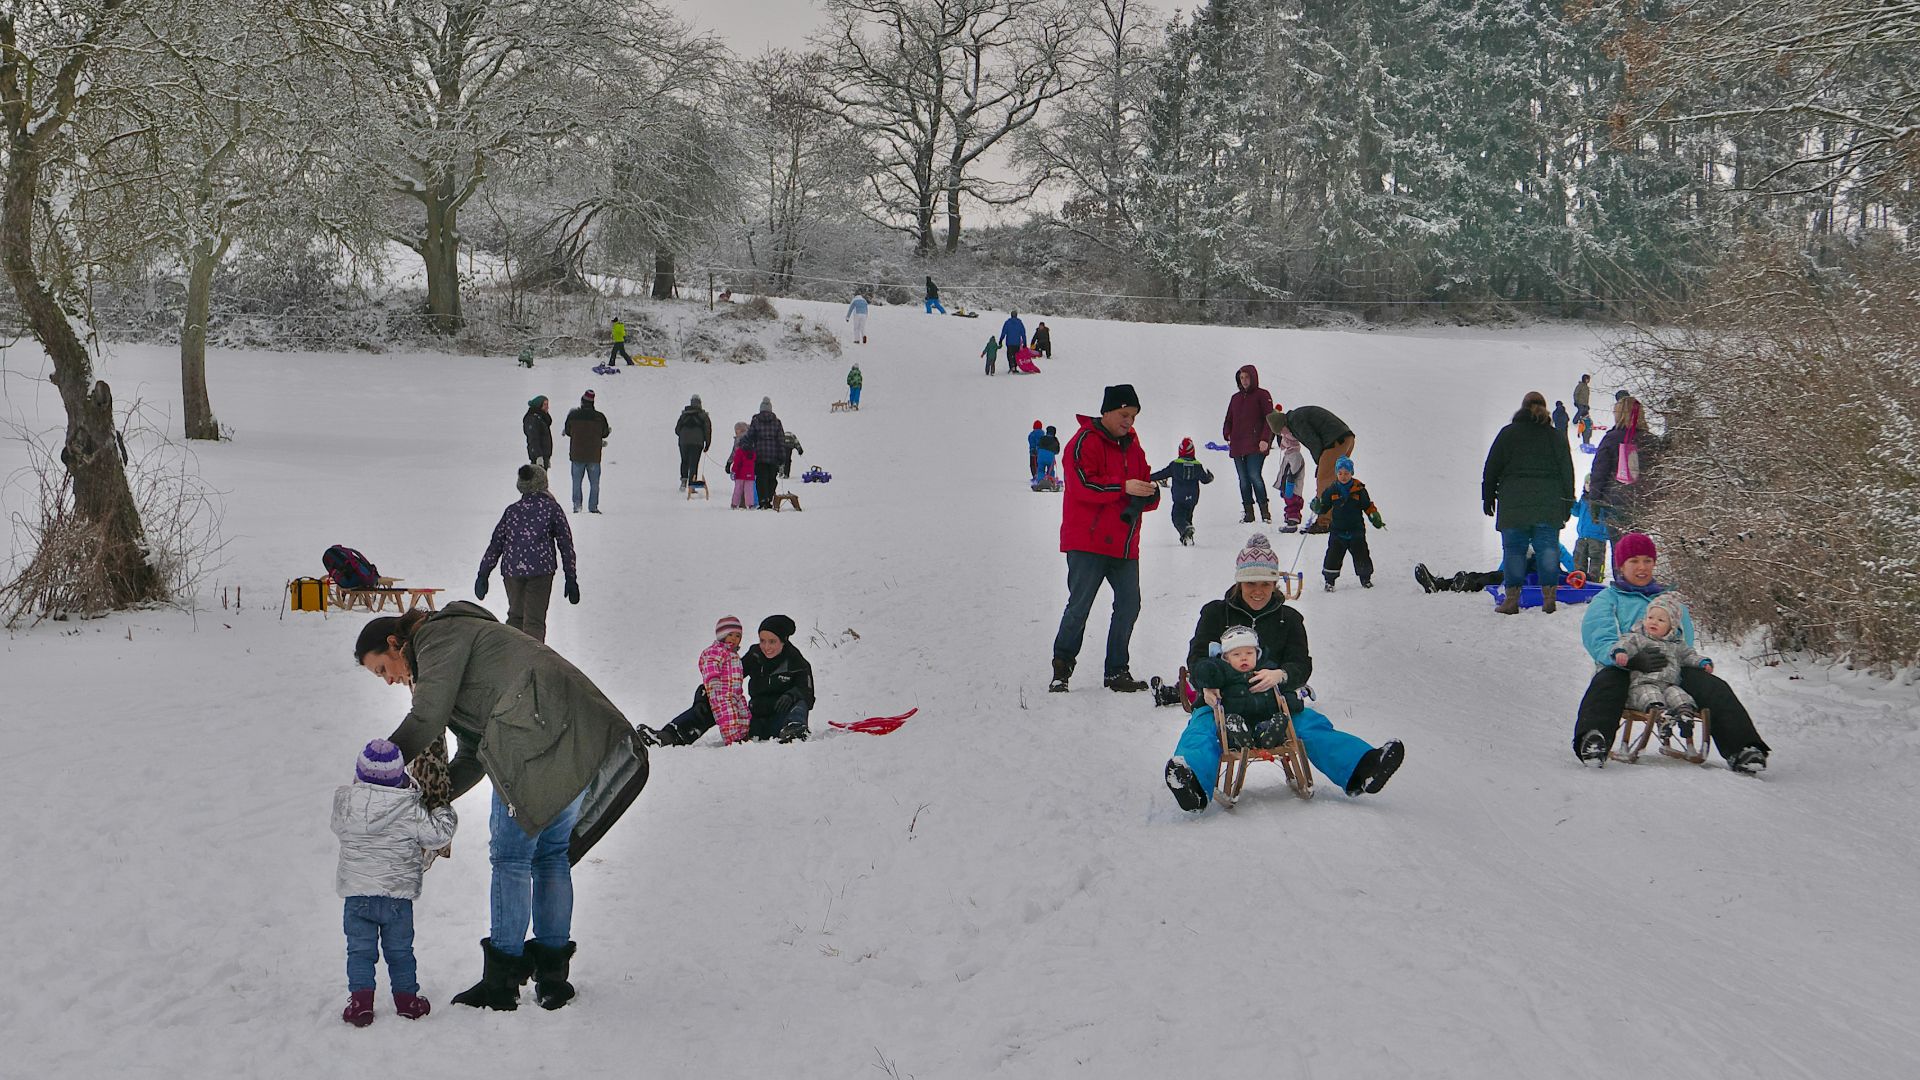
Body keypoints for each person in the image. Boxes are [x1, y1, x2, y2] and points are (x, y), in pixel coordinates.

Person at [355, 603, 640, 1011]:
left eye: (383, 669)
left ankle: (501, 983)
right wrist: (434, 798)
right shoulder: (460, 641)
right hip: (573, 735)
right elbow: (474, 750)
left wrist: (381, 768)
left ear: (395, 643)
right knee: (550, 856)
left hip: (532, 739)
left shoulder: (436, 637)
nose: (388, 681)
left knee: (510, 858)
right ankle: (553, 980)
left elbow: (427, 718)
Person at [1162, 534, 1406, 811]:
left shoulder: (1289, 620)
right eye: (1251, 583)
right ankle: (1191, 782)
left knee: (1311, 725)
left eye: (1266, 583)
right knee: (1202, 730)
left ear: (1275, 583)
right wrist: (1205, 684)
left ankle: (1364, 768)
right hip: (1221, 703)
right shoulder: (1216, 613)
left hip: (1273, 704)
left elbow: (1302, 664)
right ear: (1239, 582)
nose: (1258, 590)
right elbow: (1196, 657)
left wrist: (1282, 675)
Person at [1572, 532, 1770, 773]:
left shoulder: (1669, 601)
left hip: (1669, 669)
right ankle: (1593, 739)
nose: (1642, 567)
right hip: (1625, 667)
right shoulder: (1608, 599)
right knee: (1606, 682)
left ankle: (1743, 748)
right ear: (1621, 565)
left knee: (1714, 687)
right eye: (1634, 561)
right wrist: (1629, 659)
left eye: (1647, 560)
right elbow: (1599, 638)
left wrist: (1691, 662)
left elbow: (1683, 638)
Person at [333, 738, 459, 1027]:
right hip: (396, 899)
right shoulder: (410, 809)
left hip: (358, 896)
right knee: (401, 951)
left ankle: (361, 1004)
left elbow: (338, 826)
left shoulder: (346, 804)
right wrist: (443, 811)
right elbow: (438, 835)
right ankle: (408, 1001)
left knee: (360, 952)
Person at [1050, 384, 1157, 693]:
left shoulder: (1134, 445)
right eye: (1125, 415)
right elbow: (1082, 485)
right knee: (1079, 606)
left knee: (1129, 604)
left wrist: (1150, 493)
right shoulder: (1083, 441)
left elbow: (1143, 483)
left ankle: (1116, 671)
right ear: (1107, 411)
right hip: (1087, 542)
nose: (1129, 423)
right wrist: (1124, 488)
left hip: (1124, 544)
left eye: (1134, 417)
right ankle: (1062, 666)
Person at [1481, 390, 1574, 614]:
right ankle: (1549, 599)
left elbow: (1491, 467)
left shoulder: (1508, 434)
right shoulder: (1555, 437)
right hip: (1548, 503)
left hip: (1514, 504)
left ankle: (1512, 600)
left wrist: (1488, 496)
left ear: (1522, 408)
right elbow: (1567, 471)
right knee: (1548, 550)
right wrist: (1568, 501)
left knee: (1514, 551)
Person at [475, 465, 579, 642]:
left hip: (512, 571)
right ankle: (532, 663)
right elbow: (565, 543)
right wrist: (571, 577)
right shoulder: (551, 508)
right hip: (540, 571)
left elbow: (496, 543)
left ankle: (510, 660)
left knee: (515, 617)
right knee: (534, 621)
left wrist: (483, 574)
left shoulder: (512, 510)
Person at [644, 616, 753, 747]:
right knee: (728, 717)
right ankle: (734, 741)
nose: (734, 639)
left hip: (735, 694)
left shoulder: (733, 655)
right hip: (721, 693)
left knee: (744, 714)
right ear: (722, 635)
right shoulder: (717, 650)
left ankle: (743, 736)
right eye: (730, 635)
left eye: (737, 636)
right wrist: (712, 678)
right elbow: (709, 663)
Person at [1611, 593, 1709, 729]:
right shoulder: (1638, 637)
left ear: (1671, 627)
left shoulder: (1676, 644)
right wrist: (1620, 653)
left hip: (1669, 685)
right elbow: (1624, 643)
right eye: (1650, 617)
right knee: (1651, 696)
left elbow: (1688, 655)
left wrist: (1701, 662)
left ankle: (1685, 715)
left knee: (1679, 695)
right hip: (1643, 684)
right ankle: (1661, 718)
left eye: (1661, 620)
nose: (1654, 622)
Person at [1266, 404, 1354, 533]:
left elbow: (1313, 442)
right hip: (1346, 438)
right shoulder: (1295, 417)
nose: (1284, 435)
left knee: (1324, 480)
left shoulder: (1296, 422)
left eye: (1282, 432)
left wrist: (1320, 463)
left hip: (1336, 440)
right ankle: (1339, 518)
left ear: (1283, 425)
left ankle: (1324, 523)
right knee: (1338, 480)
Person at [1311, 455, 1385, 590]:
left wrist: (1374, 515)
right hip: (1337, 531)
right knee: (1333, 556)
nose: (1343, 476)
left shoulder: (1359, 489)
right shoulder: (1332, 489)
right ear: (1336, 474)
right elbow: (1324, 506)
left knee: (1361, 554)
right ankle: (1330, 581)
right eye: (1340, 473)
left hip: (1356, 530)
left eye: (1346, 473)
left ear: (1352, 473)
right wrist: (1317, 506)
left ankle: (1365, 578)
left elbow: (1367, 506)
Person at [1588, 395, 1646, 556]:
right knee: (1640, 549)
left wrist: (1594, 500)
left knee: (1620, 549)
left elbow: (1599, 472)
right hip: (1643, 504)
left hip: (1615, 503)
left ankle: (1622, 580)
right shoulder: (1650, 440)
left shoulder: (1611, 439)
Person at [743, 615, 814, 742]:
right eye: (762, 641)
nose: (766, 647)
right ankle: (695, 727)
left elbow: (808, 693)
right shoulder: (754, 655)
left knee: (800, 701)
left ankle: (795, 729)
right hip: (756, 719)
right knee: (713, 692)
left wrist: (791, 695)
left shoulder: (796, 662)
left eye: (772, 641)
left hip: (781, 721)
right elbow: (732, 675)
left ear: (783, 640)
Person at [1221, 365, 1274, 525]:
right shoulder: (1235, 398)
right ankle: (1248, 513)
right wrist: (1227, 433)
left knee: (1254, 476)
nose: (1244, 381)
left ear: (1253, 377)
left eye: (1246, 377)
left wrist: (1265, 439)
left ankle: (1265, 512)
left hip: (1256, 445)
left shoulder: (1262, 395)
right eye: (1241, 378)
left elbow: (1269, 419)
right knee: (1243, 479)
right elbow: (1228, 419)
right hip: (1237, 445)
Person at [1150, 437, 1214, 545]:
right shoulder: (1198, 465)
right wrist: (1209, 476)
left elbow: (1162, 474)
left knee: (1177, 517)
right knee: (1188, 517)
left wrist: (1148, 477)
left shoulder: (1175, 465)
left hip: (1179, 498)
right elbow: (1204, 480)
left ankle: (1185, 531)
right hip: (1192, 499)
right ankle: (1187, 538)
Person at [562, 390, 611, 514]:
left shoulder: (573, 415)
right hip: (594, 455)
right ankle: (593, 507)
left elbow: (568, 431)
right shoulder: (599, 417)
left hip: (577, 454)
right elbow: (605, 433)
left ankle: (577, 506)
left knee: (576, 482)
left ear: (582, 401)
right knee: (594, 484)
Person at [746, 397, 785, 508]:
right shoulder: (777, 422)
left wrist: (747, 448)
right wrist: (782, 456)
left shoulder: (756, 420)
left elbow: (750, 436)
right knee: (772, 478)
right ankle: (769, 498)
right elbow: (781, 440)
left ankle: (763, 500)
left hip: (759, 454)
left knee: (761, 478)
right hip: (774, 455)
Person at [1571, 477, 1609, 585]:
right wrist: (1572, 502)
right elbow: (1576, 512)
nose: (1589, 485)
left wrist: (1605, 532)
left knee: (1596, 561)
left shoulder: (1602, 500)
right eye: (1587, 483)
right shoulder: (1583, 499)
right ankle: (1578, 580)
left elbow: (1608, 516)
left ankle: (1595, 582)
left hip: (1597, 537)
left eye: (1592, 483)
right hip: (1582, 536)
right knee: (1579, 559)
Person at [673, 394, 711, 491]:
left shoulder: (684, 414)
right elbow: (707, 430)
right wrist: (707, 444)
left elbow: (677, 430)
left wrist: (683, 436)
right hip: (697, 443)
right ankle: (691, 486)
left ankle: (683, 482)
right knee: (694, 463)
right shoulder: (704, 415)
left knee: (684, 461)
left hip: (683, 442)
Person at [1274, 429, 1306, 531]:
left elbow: (1294, 470)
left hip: (1292, 487)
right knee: (1289, 503)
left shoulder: (1295, 455)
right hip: (1287, 485)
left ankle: (1292, 522)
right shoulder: (1289, 454)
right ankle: (1290, 520)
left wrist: (1289, 483)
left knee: (1293, 504)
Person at [726, 422, 756, 509]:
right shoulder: (752, 448)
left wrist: (731, 467)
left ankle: (735, 504)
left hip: (739, 474)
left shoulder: (739, 443)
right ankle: (750, 504)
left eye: (736, 430)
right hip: (750, 473)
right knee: (749, 489)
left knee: (738, 489)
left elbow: (735, 458)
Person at [523, 396, 552, 469]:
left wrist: (547, 457)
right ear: (539, 405)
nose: (547, 407)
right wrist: (538, 456)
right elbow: (533, 439)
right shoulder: (532, 419)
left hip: (544, 455)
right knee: (537, 478)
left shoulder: (542, 418)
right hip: (538, 457)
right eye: (545, 404)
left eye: (547, 404)